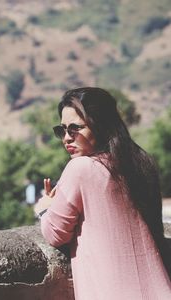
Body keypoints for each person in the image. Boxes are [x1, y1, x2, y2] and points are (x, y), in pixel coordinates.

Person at [35, 87, 171, 299]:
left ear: (100, 126)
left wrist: (45, 208)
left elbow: (55, 234)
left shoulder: (80, 168)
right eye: (62, 130)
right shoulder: (140, 164)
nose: (67, 138)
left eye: (75, 129)